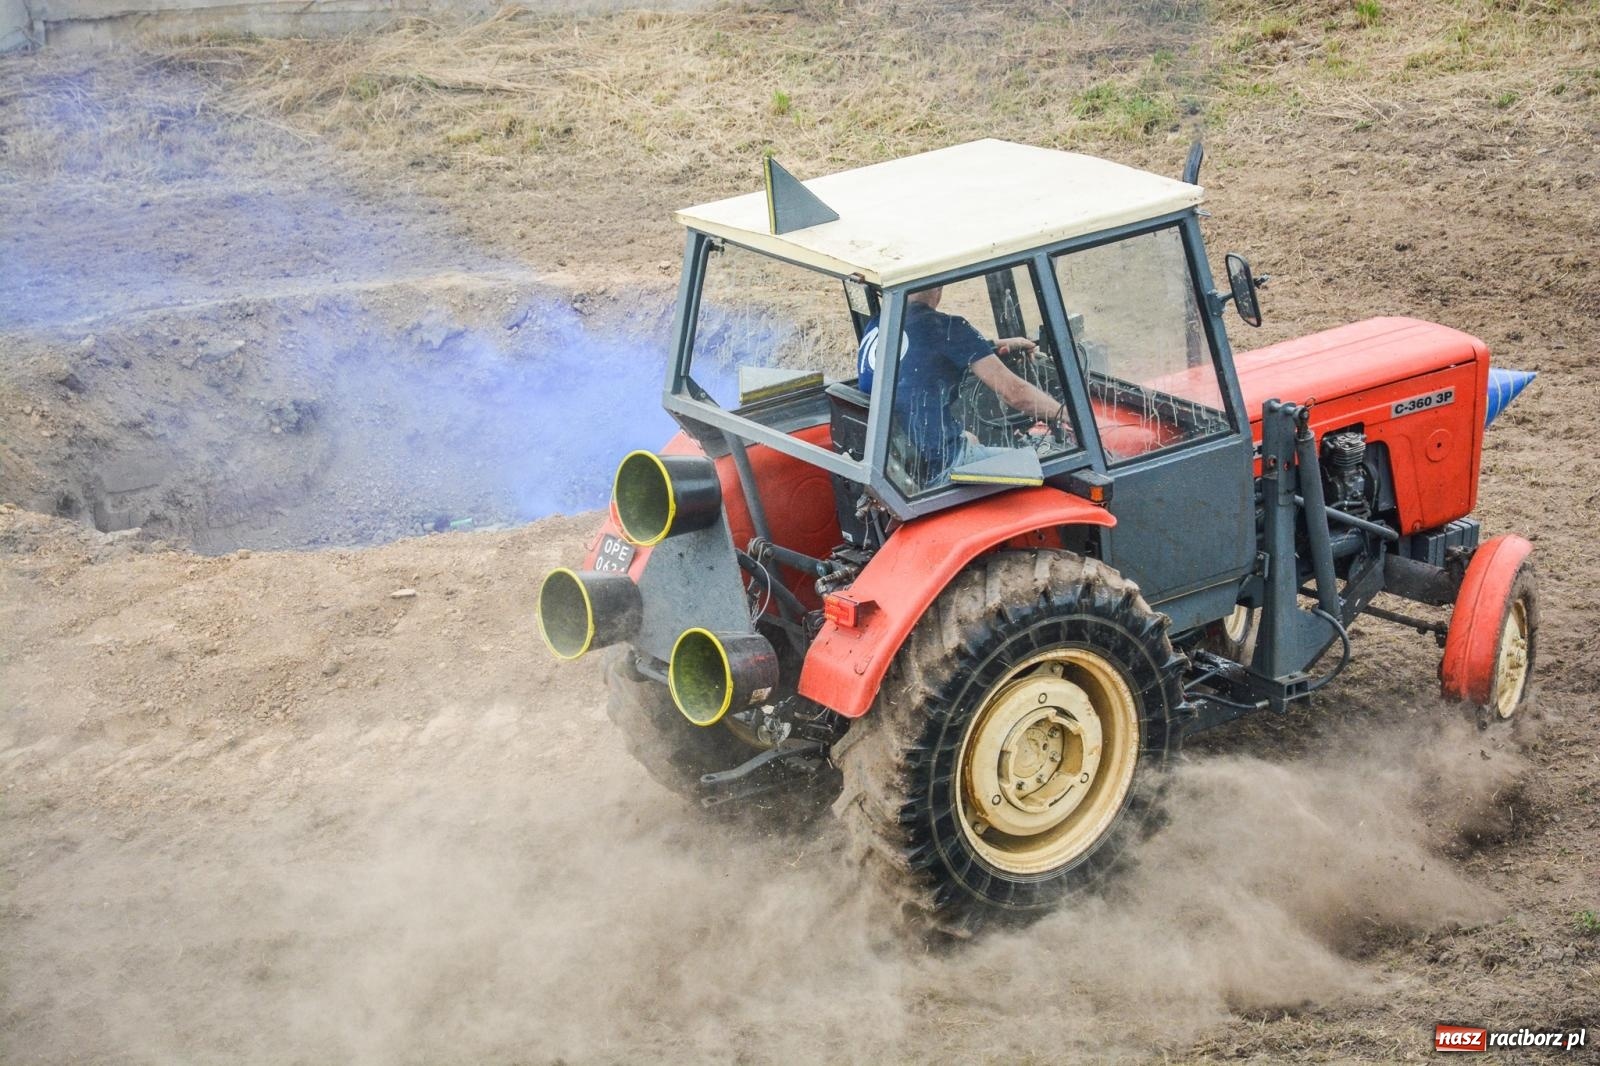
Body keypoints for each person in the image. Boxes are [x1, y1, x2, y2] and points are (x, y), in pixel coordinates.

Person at [856, 285, 1066, 486]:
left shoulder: (878, 324)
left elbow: (923, 351)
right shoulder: (947, 328)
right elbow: (1016, 394)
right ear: (938, 288)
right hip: (943, 467)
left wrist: (995, 345)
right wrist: (1066, 415)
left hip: (903, 462)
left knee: (970, 437)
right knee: (1055, 466)